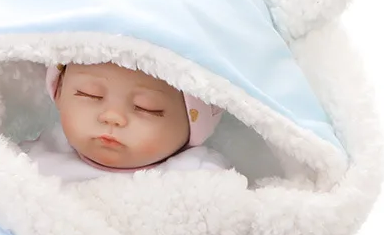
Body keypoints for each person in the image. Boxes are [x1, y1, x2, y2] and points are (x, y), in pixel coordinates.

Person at [20, 60, 229, 181]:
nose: (112, 117)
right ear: (59, 92)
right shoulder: (25, 163)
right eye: (90, 94)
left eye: (146, 108)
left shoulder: (199, 179)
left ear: (193, 125)